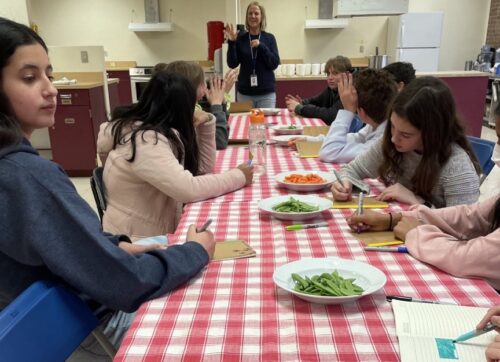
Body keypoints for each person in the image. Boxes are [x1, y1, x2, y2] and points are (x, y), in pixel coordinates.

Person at [0, 16, 215, 358]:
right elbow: (124, 282)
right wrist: (196, 251)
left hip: (54, 319)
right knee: (213, 318)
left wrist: (116, 245)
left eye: (49, 75)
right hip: (91, 323)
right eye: (29, 77)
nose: (50, 88)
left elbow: (69, 245)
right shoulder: (30, 176)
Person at [97, 68, 253, 239]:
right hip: (135, 241)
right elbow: (189, 189)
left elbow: (204, 169)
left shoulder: (155, 129)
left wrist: (207, 121)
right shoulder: (146, 142)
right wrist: (239, 176)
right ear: (179, 109)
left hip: (149, 230)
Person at [332, 76, 481, 208]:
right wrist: (343, 183)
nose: (393, 138)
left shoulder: (457, 168)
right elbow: (352, 169)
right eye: (392, 127)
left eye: (406, 134)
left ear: (432, 133)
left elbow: (465, 230)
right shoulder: (393, 143)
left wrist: (416, 201)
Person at [317, 69, 397, 163]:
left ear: (361, 112)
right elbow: (355, 138)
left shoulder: (381, 143)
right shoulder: (377, 124)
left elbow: (329, 153)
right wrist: (312, 139)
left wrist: (347, 110)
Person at [226, 1, 280, 108]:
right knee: (245, 124)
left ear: (262, 17)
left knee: (266, 124)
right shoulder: (241, 39)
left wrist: (261, 46)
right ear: (246, 17)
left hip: (266, 95)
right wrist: (232, 43)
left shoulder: (269, 38)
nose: (253, 16)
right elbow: (232, 64)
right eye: (250, 13)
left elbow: (274, 63)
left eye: (256, 13)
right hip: (245, 94)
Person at [285, 56, 361, 129]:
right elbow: (316, 101)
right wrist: (302, 102)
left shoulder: (351, 90)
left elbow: (331, 116)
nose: (330, 78)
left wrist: (300, 108)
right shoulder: (333, 88)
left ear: (347, 75)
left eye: (335, 73)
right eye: (328, 74)